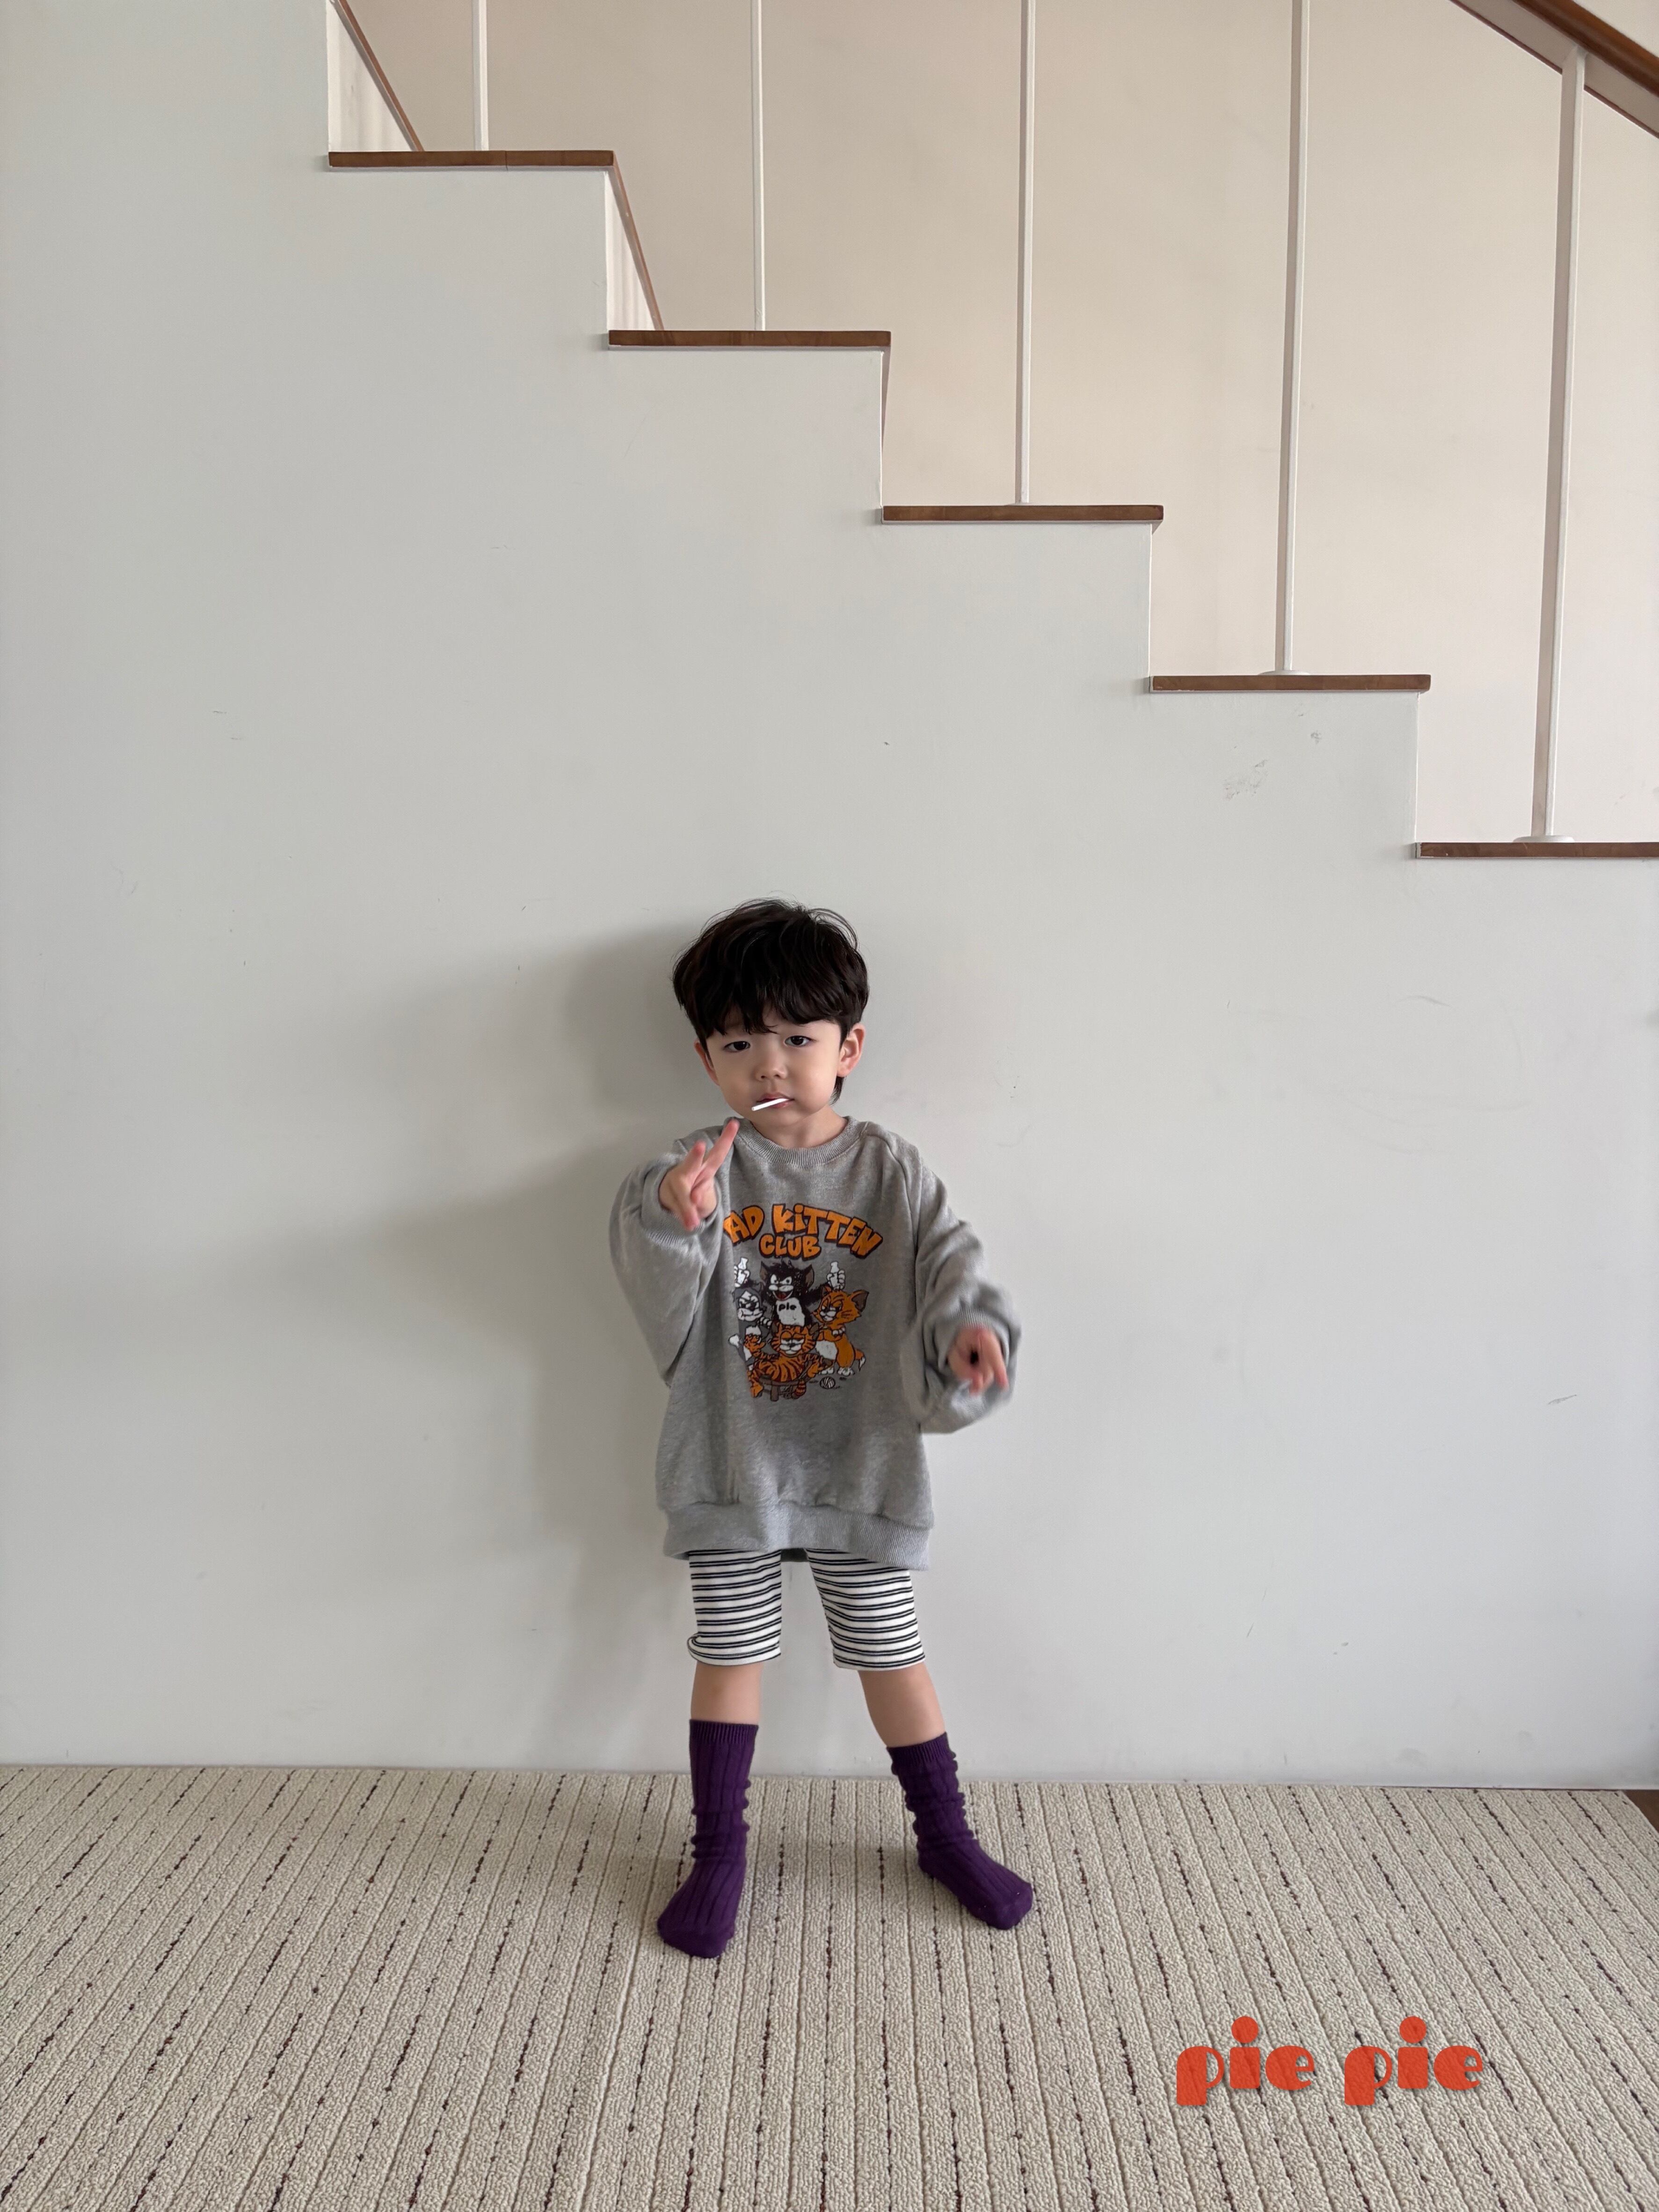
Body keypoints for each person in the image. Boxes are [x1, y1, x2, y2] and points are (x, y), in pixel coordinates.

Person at [610, 898, 1032, 1958]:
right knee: (730, 1652)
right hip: (732, 1459)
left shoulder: (891, 1169)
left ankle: (945, 1836)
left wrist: (969, 1332)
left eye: (797, 1039)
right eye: (738, 1044)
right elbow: (649, 1248)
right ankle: (718, 1851)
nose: (770, 1064)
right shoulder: (699, 1165)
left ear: (847, 1049)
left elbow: (952, 1260)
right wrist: (674, 1214)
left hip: (860, 1461)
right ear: (705, 1058)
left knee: (892, 1651)